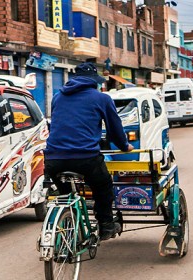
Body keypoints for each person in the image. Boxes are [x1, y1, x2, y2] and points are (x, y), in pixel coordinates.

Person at [44, 62, 134, 240]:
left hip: (53, 159)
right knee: (103, 186)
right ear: (95, 81)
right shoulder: (101, 98)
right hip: (85, 158)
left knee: (65, 193)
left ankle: (68, 221)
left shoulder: (57, 97)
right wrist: (125, 146)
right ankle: (106, 225)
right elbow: (114, 130)